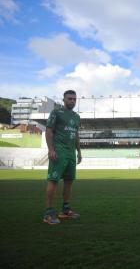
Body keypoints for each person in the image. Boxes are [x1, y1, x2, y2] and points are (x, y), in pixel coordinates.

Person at [43, 90, 82, 225]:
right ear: (64, 99)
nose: (72, 101)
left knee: (69, 181)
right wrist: (51, 149)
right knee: (53, 180)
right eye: (70, 99)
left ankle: (65, 210)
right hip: (59, 152)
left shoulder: (76, 117)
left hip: (71, 153)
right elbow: (48, 131)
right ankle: (48, 212)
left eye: (74, 99)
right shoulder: (56, 113)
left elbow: (76, 135)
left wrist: (79, 152)